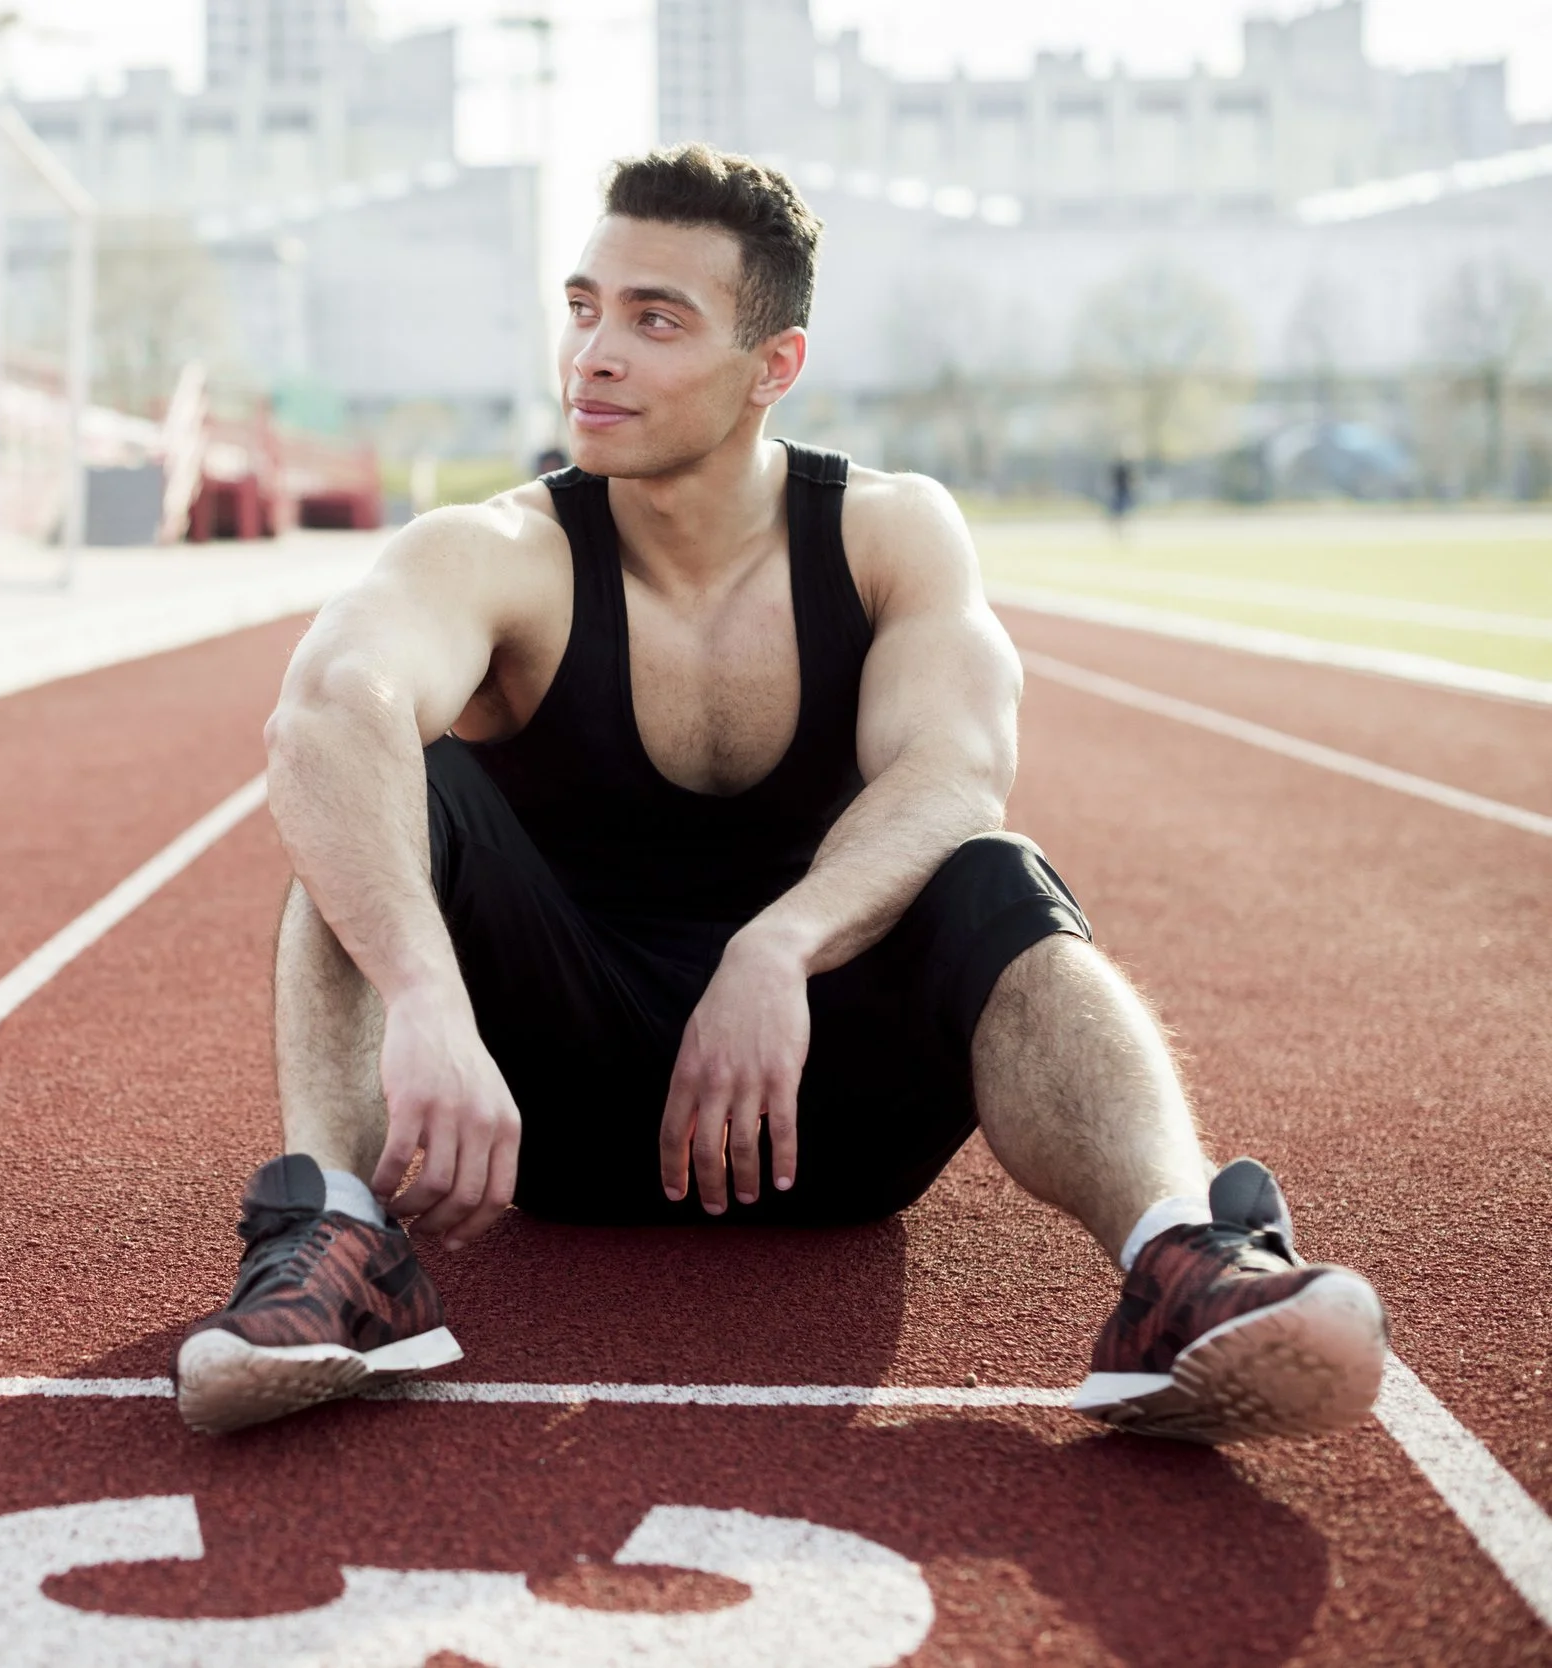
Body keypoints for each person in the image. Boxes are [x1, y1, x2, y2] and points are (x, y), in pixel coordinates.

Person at [173, 145, 1389, 1444]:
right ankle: (340, 1244)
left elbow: (956, 771)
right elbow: (323, 712)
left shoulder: (887, 532)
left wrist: (780, 945)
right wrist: (423, 994)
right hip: (551, 1124)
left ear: (775, 366)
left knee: (996, 874)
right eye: (584, 307)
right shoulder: (499, 551)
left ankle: (1180, 1262)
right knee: (382, 795)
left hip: (825, 1115)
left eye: (656, 320)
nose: (595, 355)